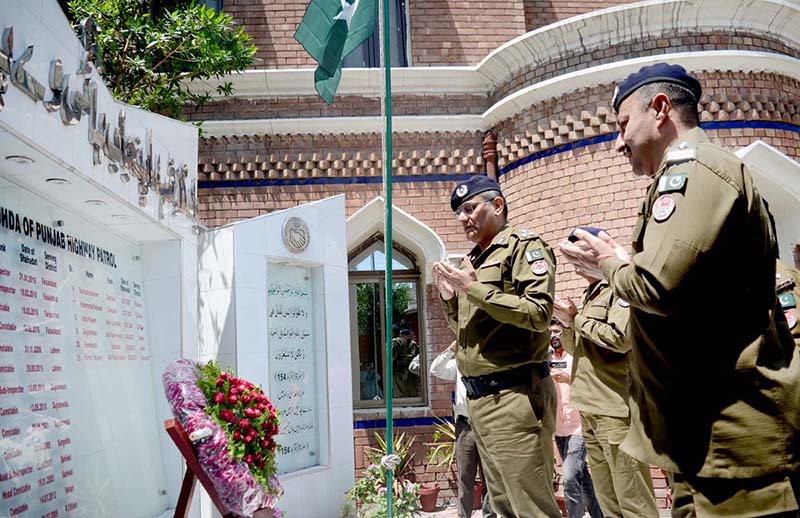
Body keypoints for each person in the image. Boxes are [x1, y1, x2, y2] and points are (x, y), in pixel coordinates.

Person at [559, 63, 800, 516]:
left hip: (735, 441)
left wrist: (606, 263)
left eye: (623, 124)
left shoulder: (699, 170)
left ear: (661, 109)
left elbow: (657, 285)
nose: (617, 142)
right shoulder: (679, 179)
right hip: (699, 441)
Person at [432, 174, 561, 518]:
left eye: (470, 208)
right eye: (459, 212)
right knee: (501, 507)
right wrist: (449, 299)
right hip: (479, 402)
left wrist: (471, 288)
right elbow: (471, 332)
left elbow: (537, 313)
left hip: (514, 396)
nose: (463, 218)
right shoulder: (475, 259)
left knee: (531, 507)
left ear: (498, 205)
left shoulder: (523, 247)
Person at [554, 228, 658, 518]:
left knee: (633, 498)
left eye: (582, 253)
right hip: (589, 406)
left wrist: (577, 319)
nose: (576, 262)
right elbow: (579, 347)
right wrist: (567, 325)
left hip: (614, 409)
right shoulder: (592, 294)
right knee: (607, 498)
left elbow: (620, 338)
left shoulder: (620, 289)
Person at [429, 340, 496, 518]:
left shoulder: (491, 362)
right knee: (465, 477)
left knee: (490, 477)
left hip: (487, 425)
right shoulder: (459, 364)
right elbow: (436, 369)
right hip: (465, 427)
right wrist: (451, 349)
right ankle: (463, 515)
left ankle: (490, 515)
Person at [549, 320, 604, 518]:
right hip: (558, 428)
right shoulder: (546, 358)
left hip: (578, 427)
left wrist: (569, 378)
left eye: (557, 331)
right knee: (582, 476)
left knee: (570, 477)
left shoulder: (575, 356)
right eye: (550, 333)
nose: (553, 336)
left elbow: (591, 381)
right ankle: (599, 515)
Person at [391, 328, 420, 397]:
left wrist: (403, 357)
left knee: (410, 384)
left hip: (410, 365)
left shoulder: (412, 344)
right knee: (402, 384)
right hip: (403, 366)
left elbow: (413, 355)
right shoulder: (402, 342)